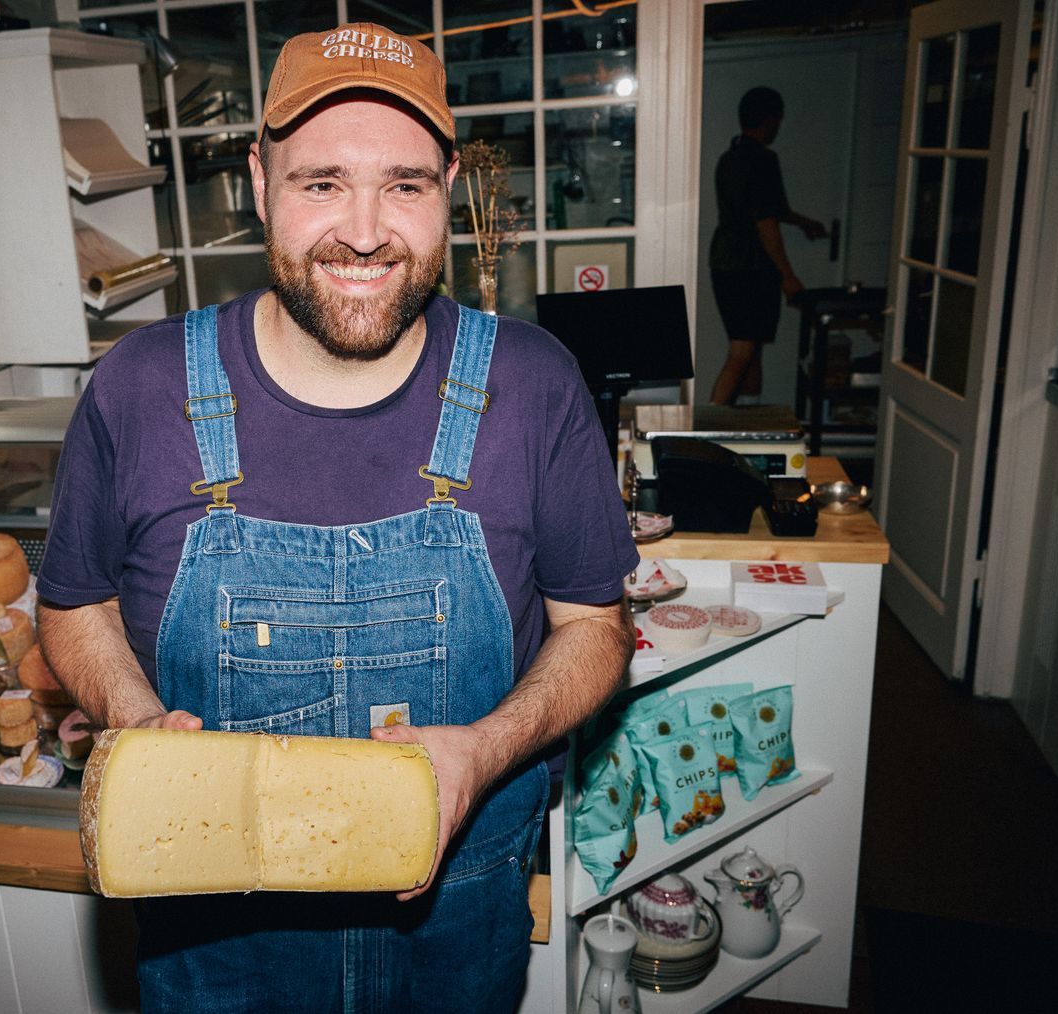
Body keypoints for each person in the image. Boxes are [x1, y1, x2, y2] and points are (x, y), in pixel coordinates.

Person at [36, 22, 637, 1012]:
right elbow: (72, 607)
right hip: (217, 940)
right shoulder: (138, 389)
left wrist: (482, 750)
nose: (363, 231)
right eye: (321, 183)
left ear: (444, 184)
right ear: (258, 180)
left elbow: (596, 629)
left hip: (455, 934)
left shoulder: (530, 385)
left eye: (401, 184)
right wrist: (138, 727)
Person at [708, 85, 828, 406]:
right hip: (748, 266)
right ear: (770, 120)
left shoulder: (729, 159)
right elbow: (764, 221)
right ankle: (706, 431)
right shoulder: (762, 160)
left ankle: (747, 420)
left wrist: (803, 223)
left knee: (752, 348)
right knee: (743, 350)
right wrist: (787, 275)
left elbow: (768, 209)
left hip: (725, 261)